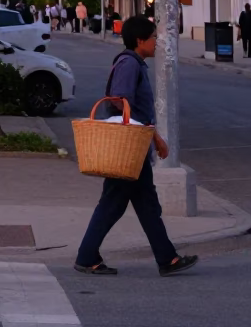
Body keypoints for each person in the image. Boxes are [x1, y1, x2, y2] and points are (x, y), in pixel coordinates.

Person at [75, 15, 198, 278]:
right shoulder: (129, 64)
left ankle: (167, 258)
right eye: (153, 37)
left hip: (135, 146)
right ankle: (87, 257)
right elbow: (122, 101)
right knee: (114, 204)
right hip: (128, 147)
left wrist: (151, 138)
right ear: (140, 40)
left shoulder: (134, 63)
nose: (156, 42)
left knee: (144, 204)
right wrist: (153, 137)